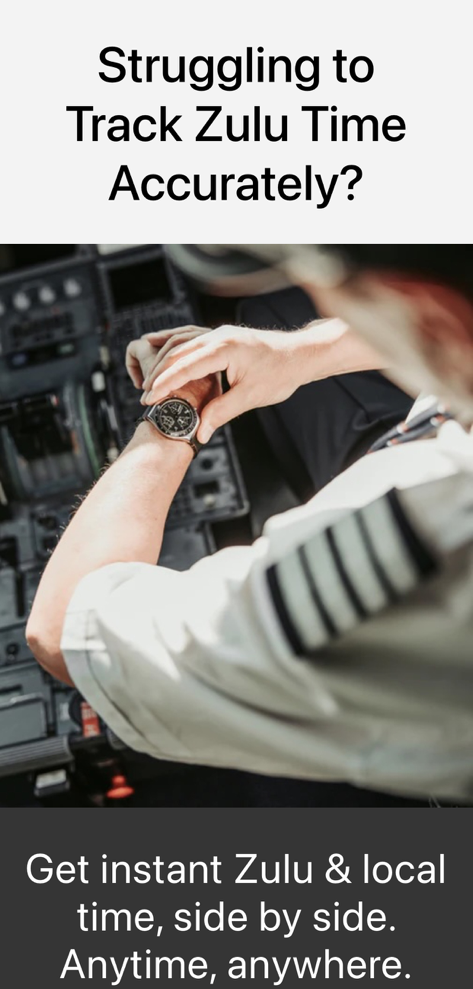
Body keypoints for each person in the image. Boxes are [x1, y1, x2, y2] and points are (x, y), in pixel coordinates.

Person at [26, 244, 473, 804]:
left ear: (428, 312)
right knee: (270, 311)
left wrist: (175, 415)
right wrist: (300, 352)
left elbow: (65, 628)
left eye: (347, 295)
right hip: (429, 429)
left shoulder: (410, 564)